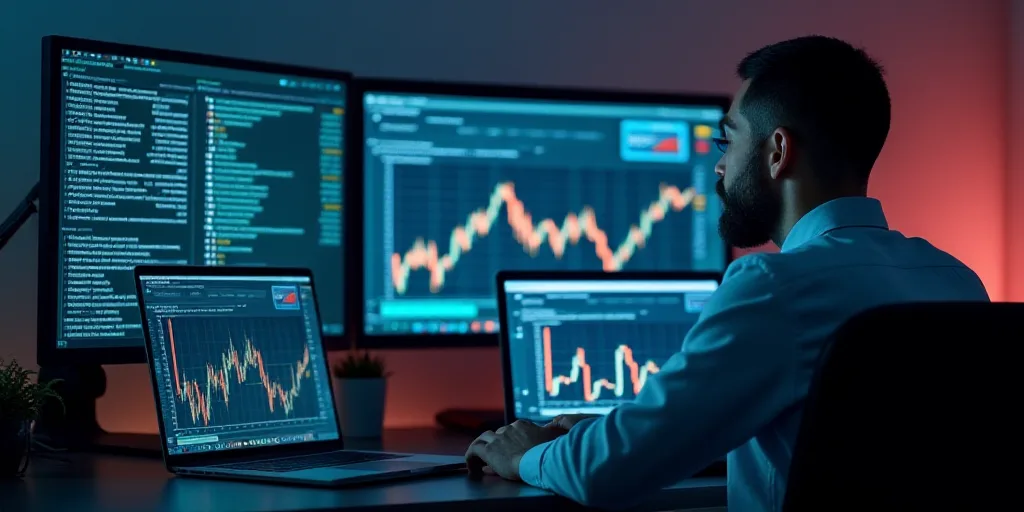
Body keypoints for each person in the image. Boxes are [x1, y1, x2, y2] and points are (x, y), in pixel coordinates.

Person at [463, 35, 991, 511]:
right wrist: (620, 432)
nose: (718, 166)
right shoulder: (957, 280)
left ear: (777, 151)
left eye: (727, 141)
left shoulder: (773, 288)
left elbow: (603, 475)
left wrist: (529, 453)